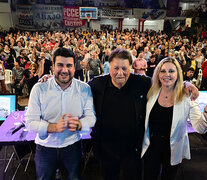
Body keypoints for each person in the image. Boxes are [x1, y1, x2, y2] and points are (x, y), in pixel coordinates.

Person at [88, 49, 198, 180]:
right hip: (107, 148)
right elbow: (79, 90)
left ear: (131, 67)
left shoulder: (142, 82)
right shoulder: (97, 84)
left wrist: (186, 84)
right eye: (115, 68)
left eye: (124, 68)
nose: (120, 73)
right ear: (108, 66)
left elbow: (165, 81)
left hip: (133, 149)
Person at [25, 48, 96, 180]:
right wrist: (53, 127)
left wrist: (80, 124)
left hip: (72, 146)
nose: (64, 70)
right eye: (60, 65)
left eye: (69, 65)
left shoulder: (84, 89)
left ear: (75, 67)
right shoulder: (39, 88)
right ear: (52, 66)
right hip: (45, 148)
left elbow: (91, 117)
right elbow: (30, 123)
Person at [141, 57, 207, 180]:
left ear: (178, 73)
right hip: (151, 147)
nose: (167, 75)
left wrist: (206, 112)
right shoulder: (151, 91)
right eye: (163, 71)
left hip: (173, 149)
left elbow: (200, 128)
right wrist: (186, 83)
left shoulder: (187, 96)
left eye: (171, 71)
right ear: (158, 73)